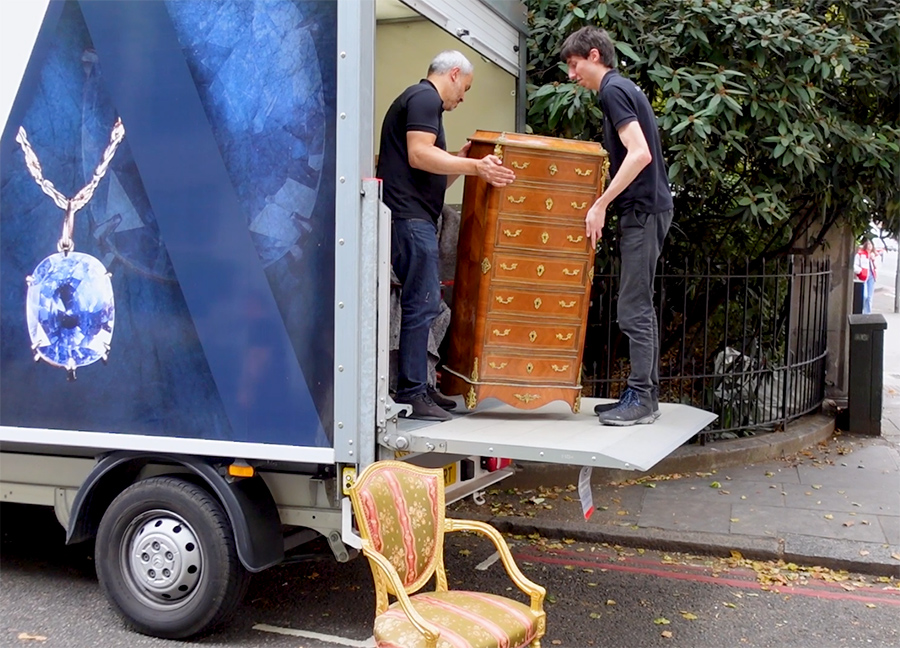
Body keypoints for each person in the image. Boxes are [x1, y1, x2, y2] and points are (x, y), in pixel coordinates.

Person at [377, 50, 515, 421]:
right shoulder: (424, 98)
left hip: (415, 217)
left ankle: (421, 386)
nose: (463, 97)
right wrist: (475, 165)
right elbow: (419, 155)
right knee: (420, 306)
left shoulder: (422, 103)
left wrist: (459, 159)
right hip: (410, 220)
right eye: (465, 88)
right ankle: (412, 391)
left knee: (424, 305)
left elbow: (432, 173)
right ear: (454, 74)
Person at [561, 26, 674, 426]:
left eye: (574, 65)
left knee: (632, 307)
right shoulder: (623, 89)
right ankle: (646, 395)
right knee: (637, 304)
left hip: (643, 211)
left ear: (594, 56)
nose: (572, 75)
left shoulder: (612, 90)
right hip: (648, 209)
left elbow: (639, 153)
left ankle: (642, 398)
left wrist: (601, 204)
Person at [854, 239, 878, 314]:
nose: (869, 245)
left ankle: (867, 314)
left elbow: (877, 266)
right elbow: (855, 265)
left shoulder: (875, 255)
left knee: (870, 297)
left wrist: (873, 260)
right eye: (868, 244)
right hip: (863, 277)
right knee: (864, 296)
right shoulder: (860, 254)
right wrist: (860, 271)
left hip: (872, 276)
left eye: (871, 244)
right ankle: (861, 311)